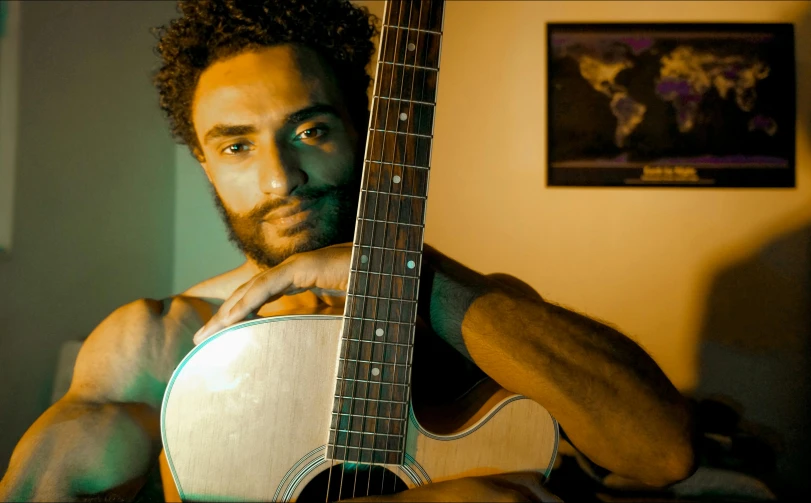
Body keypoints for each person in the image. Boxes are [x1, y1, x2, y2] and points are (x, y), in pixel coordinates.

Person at [0, 0, 696, 501]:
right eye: (236, 145)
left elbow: (660, 451)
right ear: (206, 165)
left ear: (366, 133)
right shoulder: (158, 343)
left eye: (309, 131)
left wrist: (414, 278)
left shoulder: (475, 314)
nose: (280, 179)